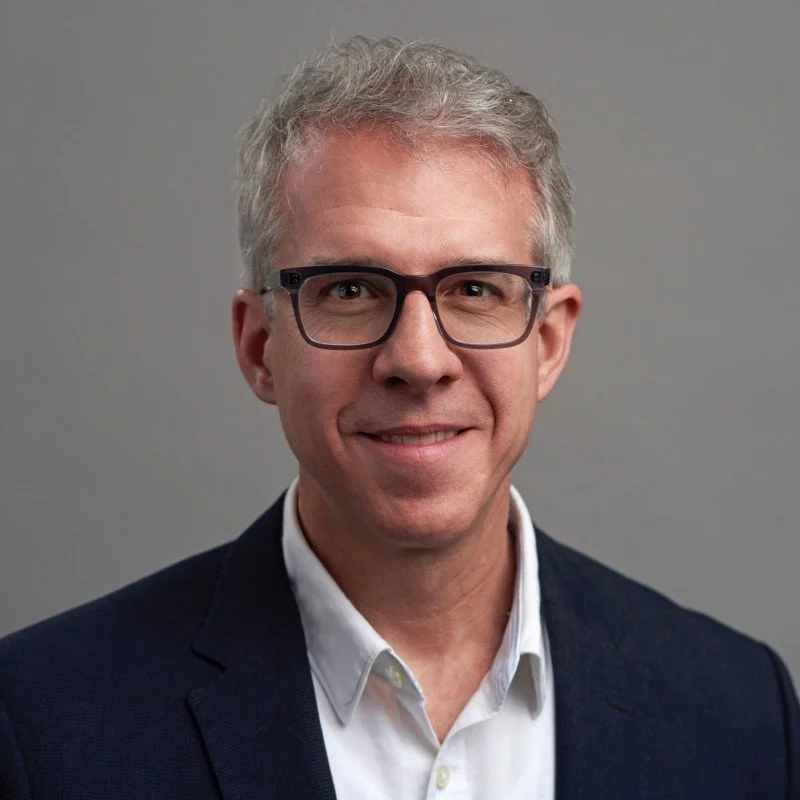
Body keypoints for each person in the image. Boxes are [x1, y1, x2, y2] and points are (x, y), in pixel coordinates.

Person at [0, 35, 797, 800]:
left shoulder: (743, 713)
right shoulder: (42, 726)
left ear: (549, 342)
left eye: (475, 289)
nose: (418, 360)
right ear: (259, 346)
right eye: (350, 289)